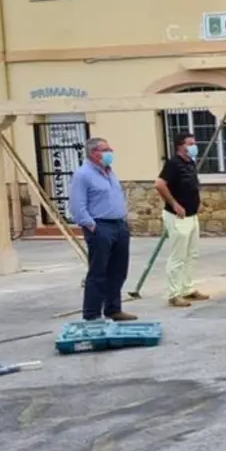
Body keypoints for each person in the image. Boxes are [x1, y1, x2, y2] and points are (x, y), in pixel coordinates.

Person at [67, 137, 137, 322]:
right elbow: (76, 205)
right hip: (100, 226)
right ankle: (92, 314)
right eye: (105, 149)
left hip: (119, 225)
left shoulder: (109, 172)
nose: (110, 152)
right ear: (93, 153)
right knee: (99, 272)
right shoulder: (83, 175)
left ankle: (113, 309)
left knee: (118, 270)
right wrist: (91, 225)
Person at [154, 132, 208, 308]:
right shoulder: (173, 164)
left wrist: (198, 202)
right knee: (178, 255)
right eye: (190, 143)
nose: (194, 146)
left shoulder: (190, 163)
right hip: (178, 216)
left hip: (192, 215)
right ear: (180, 146)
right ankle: (174, 293)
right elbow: (159, 184)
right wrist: (174, 204)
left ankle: (187, 288)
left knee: (191, 254)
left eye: (194, 142)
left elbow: (192, 185)